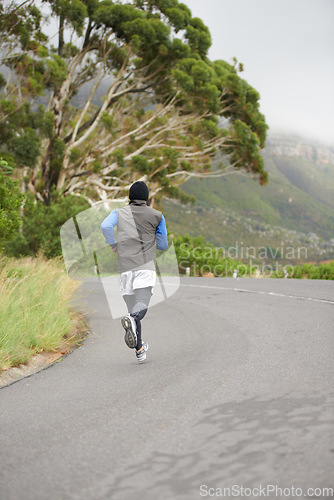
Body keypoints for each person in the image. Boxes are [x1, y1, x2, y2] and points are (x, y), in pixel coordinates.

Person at [100, 181, 168, 363]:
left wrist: (113, 244)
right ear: (146, 198)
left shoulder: (118, 213)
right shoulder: (157, 216)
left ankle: (139, 350)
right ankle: (132, 321)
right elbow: (163, 245)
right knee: (140, 306)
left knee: (132, 309)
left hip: (125, 270)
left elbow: (105, 226)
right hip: (145, 268)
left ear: (130, 197)